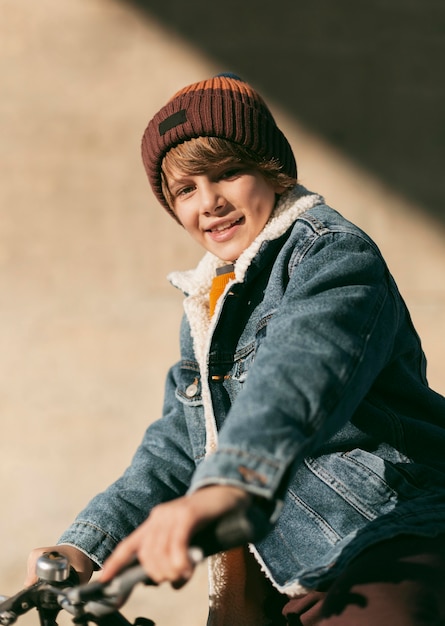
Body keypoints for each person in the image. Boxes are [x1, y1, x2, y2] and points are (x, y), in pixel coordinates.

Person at [26, 73, 445, 625]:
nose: (210, 203)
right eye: (186, 189)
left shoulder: (330, 254)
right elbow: (177, 445)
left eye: (228, 173)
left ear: (272, 169)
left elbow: (301, 372)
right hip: (292, 570)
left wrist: (227, 484)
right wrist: (85, 546)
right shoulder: (209, 301)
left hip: (388, 530)